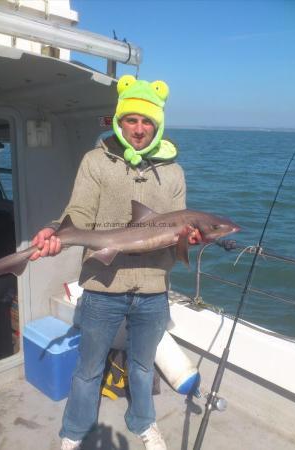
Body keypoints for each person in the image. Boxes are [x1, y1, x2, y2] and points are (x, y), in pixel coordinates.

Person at [30, 75, 202, 450]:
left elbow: (175, 231)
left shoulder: (172, 172)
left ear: (158, 126)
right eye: (131, 120)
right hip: (102, 286)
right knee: (88, 370)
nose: (139, 129)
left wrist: (187, 240)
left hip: (154, 288)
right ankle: (74, 432)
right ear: (120, 121)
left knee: (142, 367)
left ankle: (143, 423)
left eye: (147, 122)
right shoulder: (97, 161)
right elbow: (77, 212)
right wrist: (54, 229)